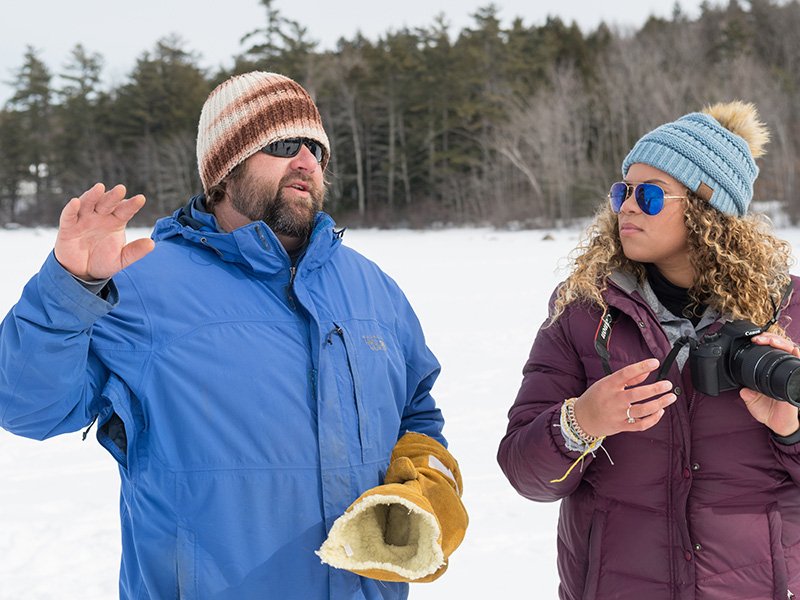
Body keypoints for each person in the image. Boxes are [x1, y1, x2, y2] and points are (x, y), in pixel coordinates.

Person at [0, 71, 466, 599]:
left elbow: (417, 416)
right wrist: (70, 289)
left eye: (317, 148)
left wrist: (424, 484)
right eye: (285, 144)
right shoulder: (143, 286)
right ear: (224, 169)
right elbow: (26, 407)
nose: (307, 161)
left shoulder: (373, 289)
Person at [497, 101, 800, 599]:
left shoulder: (787, 309)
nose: (628, 207)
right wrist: (581, 423)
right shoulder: (581, 311)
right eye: (623, 191)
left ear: (708, 209)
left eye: (651, 195)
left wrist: (791, 431)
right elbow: (525, 474)